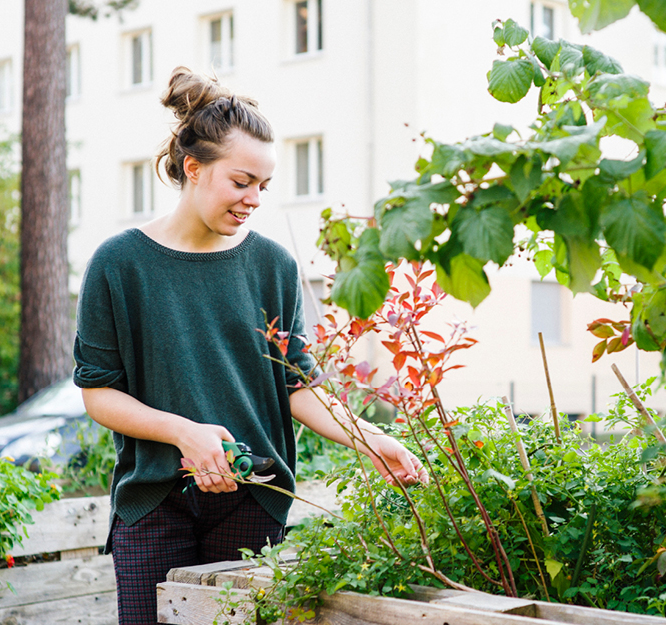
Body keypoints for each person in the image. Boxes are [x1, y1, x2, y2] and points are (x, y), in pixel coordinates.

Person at [73, 66, 428, 625]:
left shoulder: (272, 266)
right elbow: (99, 393)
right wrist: (182, 432)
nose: (255, 199)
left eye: (264, 186)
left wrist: (373, 439)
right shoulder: (119, 264)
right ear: (193, 168)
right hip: (154, 503)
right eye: (242, 182)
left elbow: (296, 384)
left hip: (252, 498)